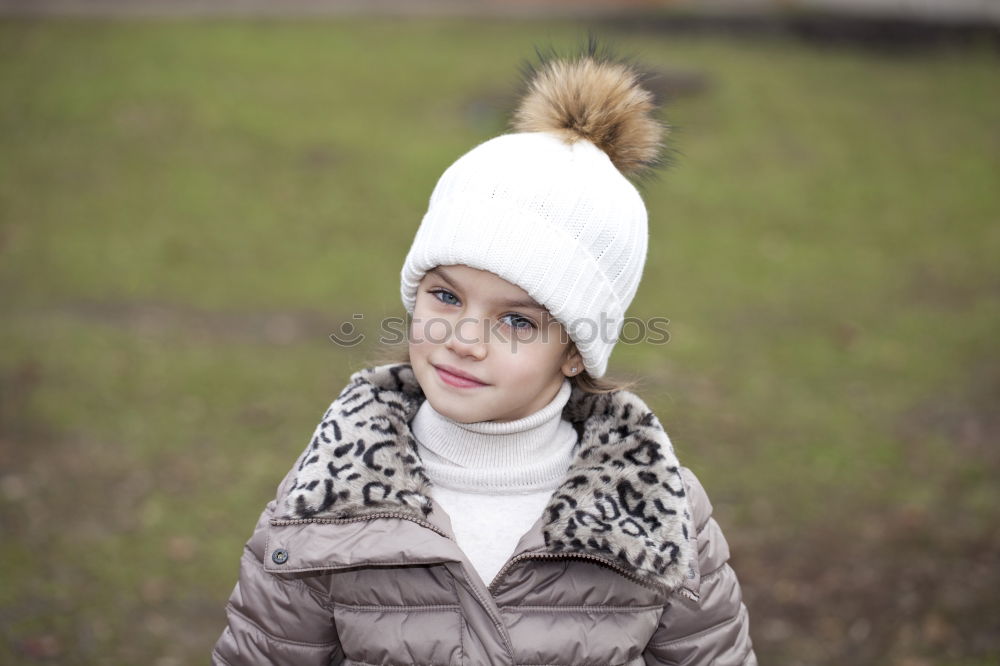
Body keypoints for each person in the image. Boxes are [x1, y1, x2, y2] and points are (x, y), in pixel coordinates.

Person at [213, 38, 756, 665]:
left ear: (576, 351)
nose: (463, 340)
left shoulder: (660, 513)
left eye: (517, 322)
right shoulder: (329, 497)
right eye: (445, 296)